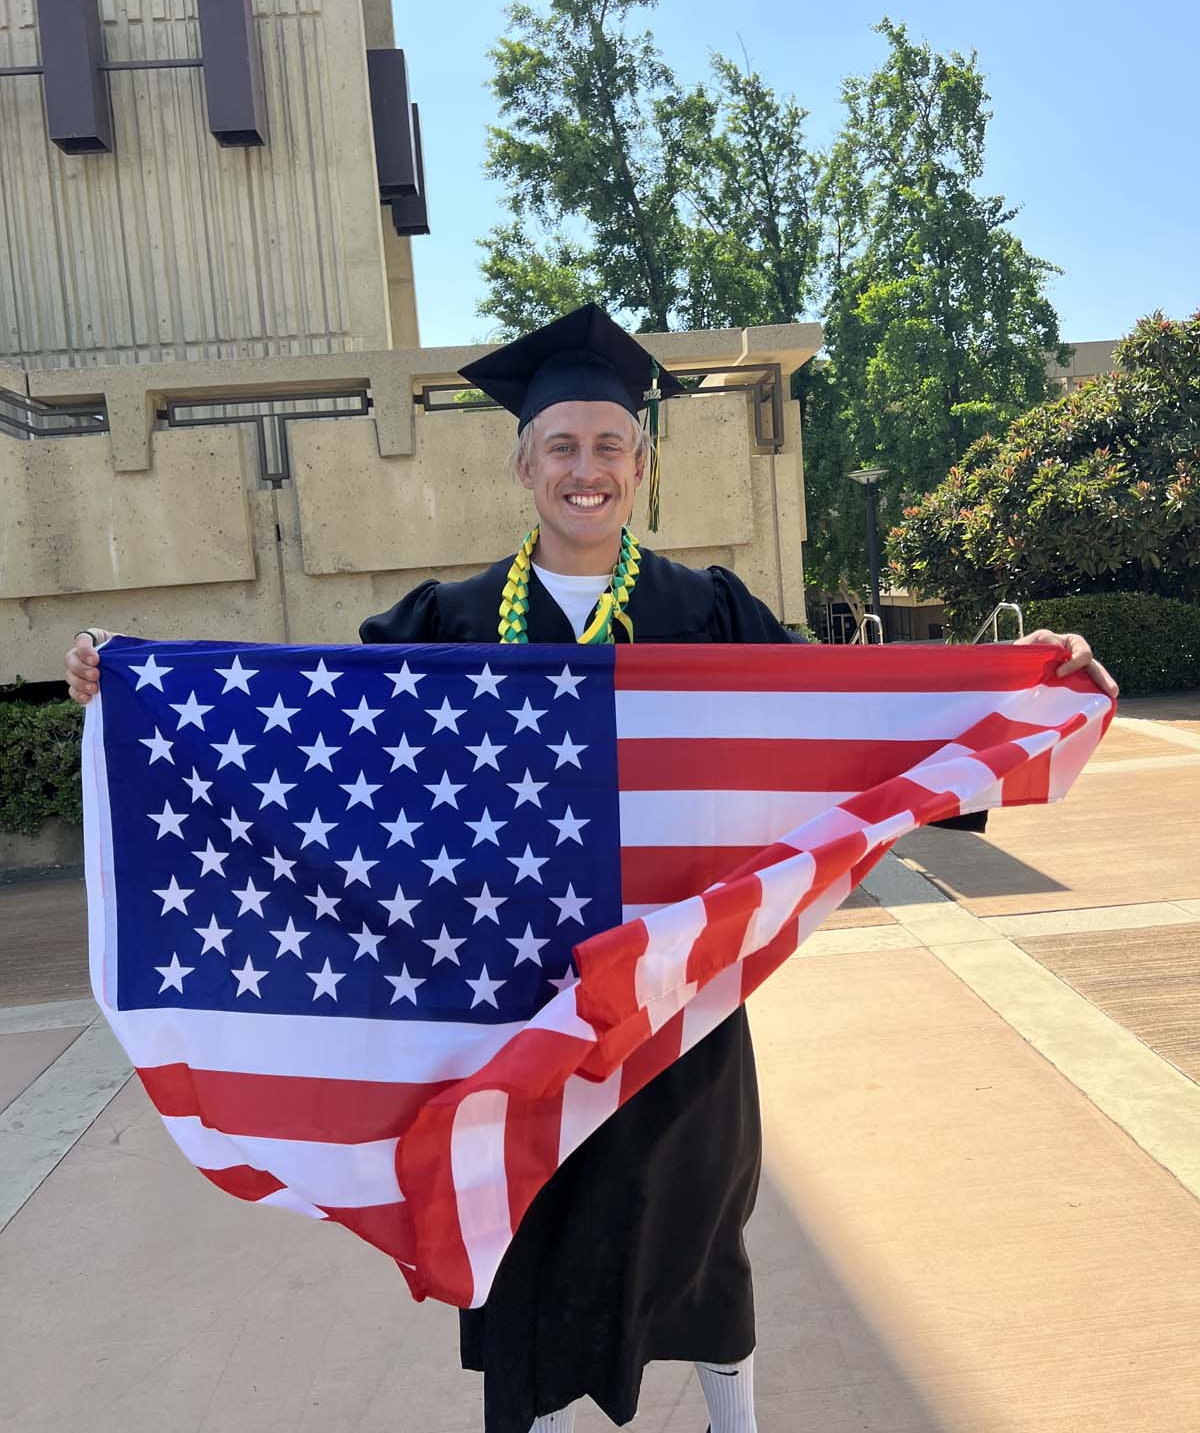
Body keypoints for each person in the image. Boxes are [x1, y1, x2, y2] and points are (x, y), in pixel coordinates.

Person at [66, 304, 1117, 1433]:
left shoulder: (702, 612)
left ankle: (735, 1419)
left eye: (610, 446)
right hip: (509, 1006)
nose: (587, 469)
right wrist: (136, 693)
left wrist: (1017, 692)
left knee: (703, 1222)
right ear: (524, 466)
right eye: (561, 446)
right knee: (527, 1220)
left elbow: (848, 727)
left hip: (680, 992)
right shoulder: (450, 622)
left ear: (642, 465)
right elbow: (314, 729)